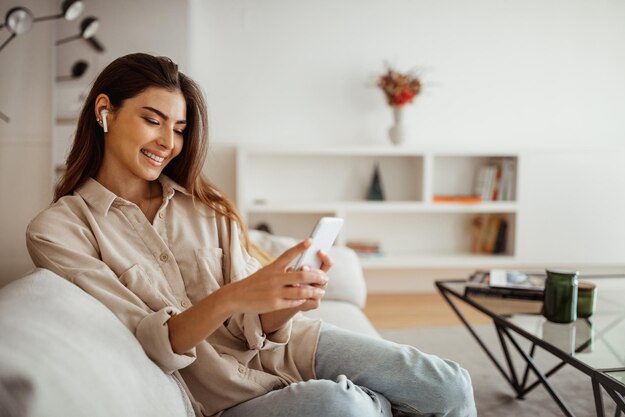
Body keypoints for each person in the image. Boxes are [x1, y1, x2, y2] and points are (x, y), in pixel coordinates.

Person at [26, 53, 476, 417]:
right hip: (217, 393)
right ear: (105, 111)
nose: (168, 141)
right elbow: (153, 343)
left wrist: (283, 303)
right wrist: (237, 295)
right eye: (153, 120)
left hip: (289, 350)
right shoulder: (61, 231)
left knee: (449, 384)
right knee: (343, 405)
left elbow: (254, 329)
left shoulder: (206, 206)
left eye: (179, 129)